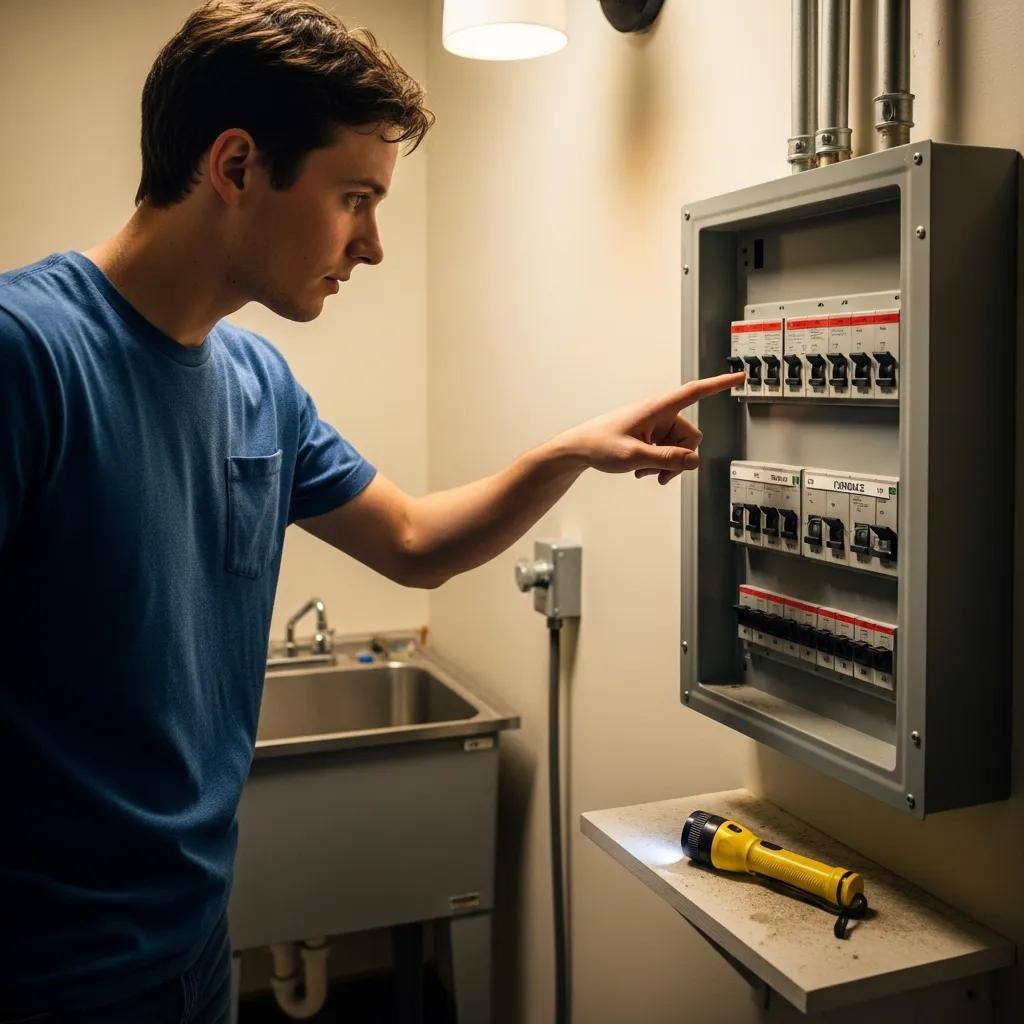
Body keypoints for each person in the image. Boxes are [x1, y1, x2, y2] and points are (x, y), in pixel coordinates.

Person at [0, 1, 743, 1019]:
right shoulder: (28, 356)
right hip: (42, 970)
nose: (374, 246)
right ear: (235, 166)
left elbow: (412, 542)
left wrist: (567, 451)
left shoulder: (257, 380)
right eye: (355, 198)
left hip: (193, 943)